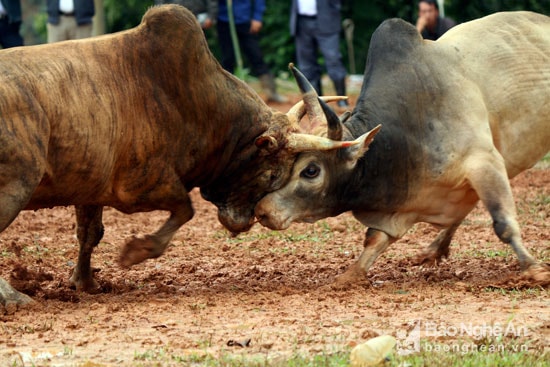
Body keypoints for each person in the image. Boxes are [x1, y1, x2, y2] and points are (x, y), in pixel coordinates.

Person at [217, 0, 287, 103]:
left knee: (256, 56)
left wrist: (257, 18)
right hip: (224, 20)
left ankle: (271, 92)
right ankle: (227, 96)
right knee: (227, 59)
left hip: (246, 21)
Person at [290, 0, 349, 108]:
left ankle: (342, 100)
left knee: (333, 59)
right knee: (306, 64)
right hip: (301, 21)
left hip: (327, 19)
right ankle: (316, 101)